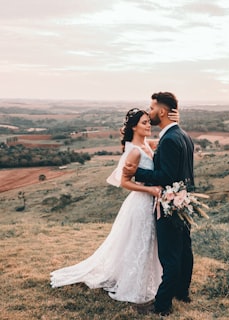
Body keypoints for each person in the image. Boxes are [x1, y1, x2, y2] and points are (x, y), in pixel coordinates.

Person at [50, 107, 179, 304]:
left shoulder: (146, 145)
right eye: (144, 123)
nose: (148, 126)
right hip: (141, 203)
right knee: (138, 243)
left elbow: (168, 139)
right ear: (134, 127)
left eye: (148, 122)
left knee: (148, 243)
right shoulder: (134, 152)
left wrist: (176, 121)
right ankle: (132, 283)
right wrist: (151, 190)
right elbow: (124, 182)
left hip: (151, 202)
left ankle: (148, 281)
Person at [124, 92, 194, 316]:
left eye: (152, 108)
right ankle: (182, 292)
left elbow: (167, 175)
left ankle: (162, 304)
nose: (150, 111)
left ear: (162, 111)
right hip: (183, 201)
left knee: (170, 256)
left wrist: (138, 172)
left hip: (170, 204)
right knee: (184, 250)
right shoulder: (182, 135)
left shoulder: (171, 139)